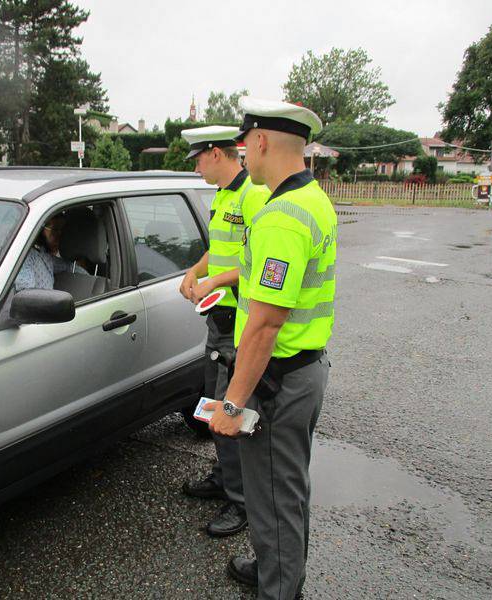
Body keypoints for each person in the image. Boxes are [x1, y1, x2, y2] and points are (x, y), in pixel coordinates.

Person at [204, 99, 336, 600]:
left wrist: (233, 403)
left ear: (259, 141)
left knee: (274, 491)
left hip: (278, 379)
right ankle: (277, 568)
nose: (245, 155)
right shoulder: (313, 198)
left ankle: (279, 589)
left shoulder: (282, 216)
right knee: (285, 485)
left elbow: (264, 325)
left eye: (245, 144)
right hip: (301, 371)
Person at [178, 125, 269, 537]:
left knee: (232, 409)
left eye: (198, 159)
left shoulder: (254, 195)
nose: (196, 168)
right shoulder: (223, 196)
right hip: (218, 321)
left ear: (216, 153)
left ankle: (242, 503)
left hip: (238, 325)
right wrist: (195, 271)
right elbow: (221, 249)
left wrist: (216, 281)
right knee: (213, 406)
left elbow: (256, 265)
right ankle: (223, 477)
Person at [14, 213, 88, 291]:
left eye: (62, 231)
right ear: (40, 229)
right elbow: (26, 292)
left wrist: (90, 278)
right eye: (55, 229)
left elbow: (68, 266)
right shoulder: (27, 256)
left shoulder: (47, 257)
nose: (59, 234)